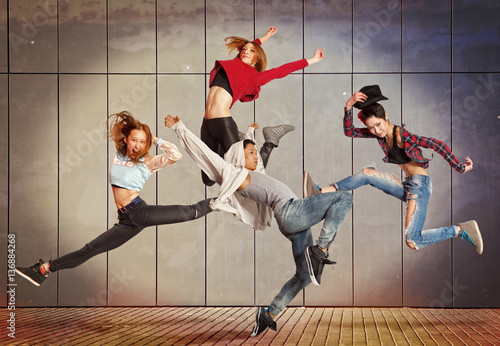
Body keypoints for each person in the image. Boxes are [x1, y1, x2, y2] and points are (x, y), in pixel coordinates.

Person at [164, 114, 353, 337]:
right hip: (291, 211)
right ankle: (320, 250)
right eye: (251, 153)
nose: (257, 156)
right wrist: (179, 128)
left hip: (294, 224)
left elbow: (259, 161)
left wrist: (250, 134)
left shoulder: (257, 174)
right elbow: (203, 153)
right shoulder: (234, 172)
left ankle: (269, 314)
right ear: (237, 157)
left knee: (303, 275)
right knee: (344, 197)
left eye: (256, 152)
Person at [16, 111, 213, 287]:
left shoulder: (148, 161)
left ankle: (220, 201)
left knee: (189, 212)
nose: (138, 145)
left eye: (142, 142)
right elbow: (121, 133)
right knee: (89, 250)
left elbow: (176, 156)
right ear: (126, 139)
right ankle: (42, 270)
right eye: (134, 140)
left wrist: (156, 140)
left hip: (139, 211)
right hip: (126, 220)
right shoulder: (119, 153)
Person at [304, 85, 483, 254]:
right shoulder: (380, 136)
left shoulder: (401, 136)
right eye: (371, 127)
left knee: (412, 241)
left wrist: (459, 167)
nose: (376, 130)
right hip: (407, 185)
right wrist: (348, 106)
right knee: (367, 174)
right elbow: (350, 131)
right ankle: (320, 192)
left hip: (419, 187)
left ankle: (460, 229)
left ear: (386, 117)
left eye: (379, 124)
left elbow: (437, 144)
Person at [202, 26, 325, 185]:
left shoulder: (255, 77)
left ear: (257, 59)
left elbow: (282, 70)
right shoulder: (234, 64)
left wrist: (311, 60)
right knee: (208, 179)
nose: (246, 51)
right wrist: (266, 36)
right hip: (206, 124)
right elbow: (252, 45)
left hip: (223, 123)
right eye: (244, 49)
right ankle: (239, 141)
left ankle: (268, 143)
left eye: (252, 51)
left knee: (245, 176)